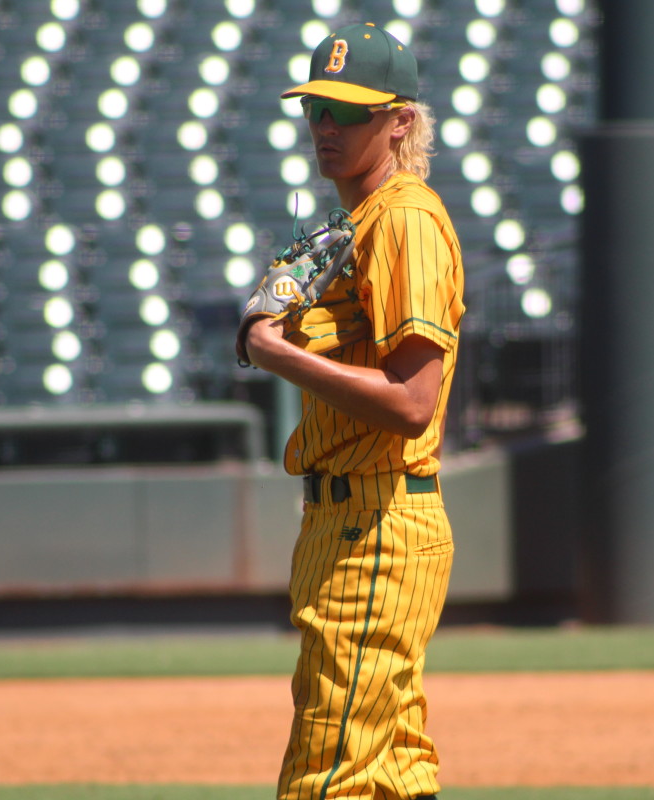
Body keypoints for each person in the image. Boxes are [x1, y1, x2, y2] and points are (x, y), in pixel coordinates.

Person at [240, 22, 466, 800]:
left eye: (349, 110)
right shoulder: (358, 221)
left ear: (400, 120)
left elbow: (412, 402)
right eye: (317, 109)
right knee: (390, 769)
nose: (327, 127)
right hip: (348, 523)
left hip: (376, 524)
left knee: (327, 775)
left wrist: (281, 355)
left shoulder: (402, 217)